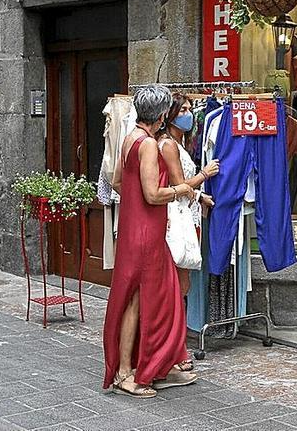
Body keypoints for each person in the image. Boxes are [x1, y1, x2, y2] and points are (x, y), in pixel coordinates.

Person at [103, 85, 197, 398]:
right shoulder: (147, 145)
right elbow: (153, 195)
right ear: (159, 116)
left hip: (132, 229)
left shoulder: (129, 138)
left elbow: (116, 179)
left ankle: (141, 365)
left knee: (134, 299)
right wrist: (182, 190)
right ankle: (128, 372)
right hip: (147, 234)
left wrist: (133, 205)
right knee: (140, 302)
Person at [158, 93, 219, 372]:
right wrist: (205, 175)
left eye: (190, 108)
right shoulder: (168, 145)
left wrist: (199, 197)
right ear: (169, 115)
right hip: (176, 218)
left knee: (182, 285)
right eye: (183, 109)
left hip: (188, 215)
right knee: (178, 285)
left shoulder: (180, 143)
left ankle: (175, 345)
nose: (189, 113)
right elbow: (179, 184)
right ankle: (176, 349)